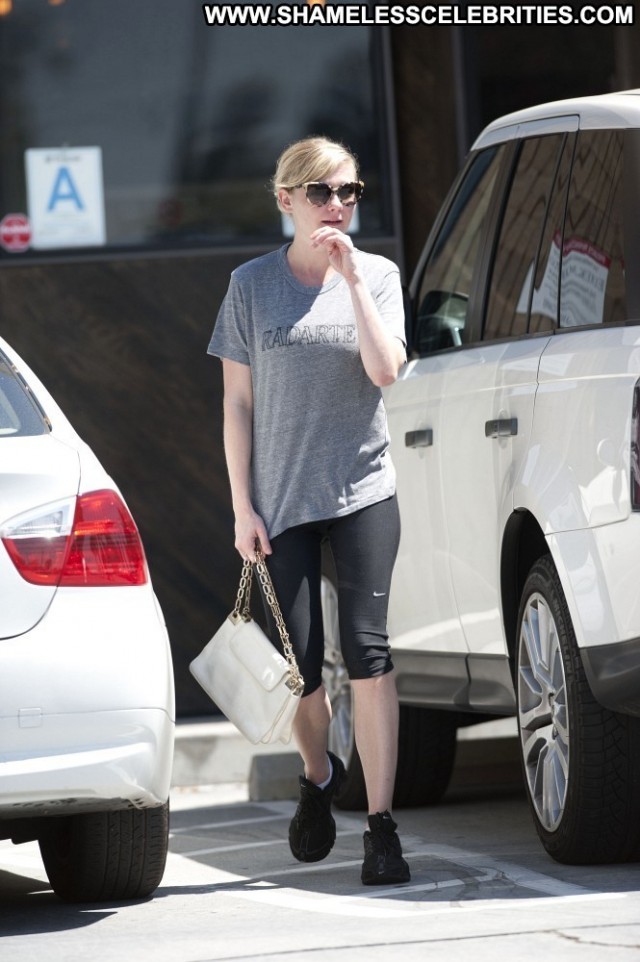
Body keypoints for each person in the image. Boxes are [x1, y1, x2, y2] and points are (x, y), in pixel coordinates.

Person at [207, 136, 409, 886]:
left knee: (368, 652)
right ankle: (319, 775)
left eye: (348, 191)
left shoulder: (377, 275)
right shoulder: (251, 285)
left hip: (364, 490)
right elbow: (236, 403)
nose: (336, 205)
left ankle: (381, 828)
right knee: (299, 668)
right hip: (282, 500)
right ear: (285, 199)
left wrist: (351, 279)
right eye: (321, 192)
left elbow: (386, 371)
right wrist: (242, 508)